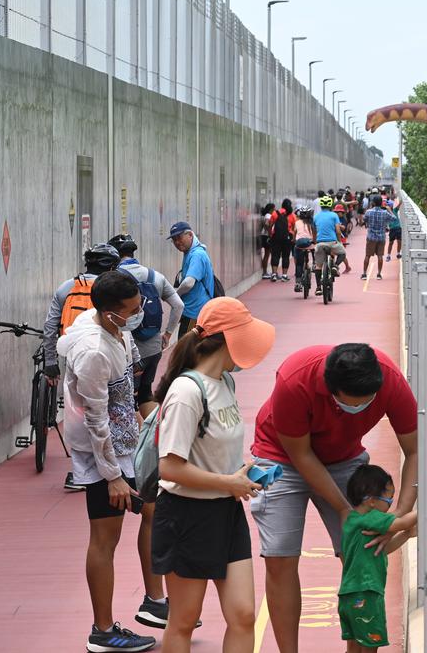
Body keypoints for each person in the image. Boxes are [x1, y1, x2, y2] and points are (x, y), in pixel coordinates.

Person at [249, 344, 418, 653]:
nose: (359, 408)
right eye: (350, 403)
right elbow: (301, 455)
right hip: (282, 457)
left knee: (362, 550)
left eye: (367, 403)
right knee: (280, 558)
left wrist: (396, 517)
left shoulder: (390, 379)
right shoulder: (294, 379)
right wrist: (343, 508)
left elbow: (415, 449)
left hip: (344, 457)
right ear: (330, 390)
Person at [151, 297, 275, 653]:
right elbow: (170, 467)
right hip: (185, 515)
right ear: (228, 338)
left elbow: (216, 453)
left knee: (243, 615)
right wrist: (229, 482)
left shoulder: (226, 384)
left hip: (226, 512)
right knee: (184, 621)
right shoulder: (187, 392)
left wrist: (245, 472)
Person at [58, 271, 159, 652]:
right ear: (110, 312)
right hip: (104, 454)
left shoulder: (115, 330)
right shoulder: (94, 351)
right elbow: (96, 417)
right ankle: (102, 631)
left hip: (123, 445)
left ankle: (155, 600)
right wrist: (112, 476)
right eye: (132, 310)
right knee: (105, 538)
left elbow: (124, 396)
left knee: (151, 511)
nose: (139, 314)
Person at [44, 243, 123, 492]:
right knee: (108, 412)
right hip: (108, 357)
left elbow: (50, 327)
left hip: (74, 358)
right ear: (110, 267)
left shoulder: (66, 288)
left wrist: (50, 364)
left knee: (80, 415)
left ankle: (81, 473)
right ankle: (114, 467)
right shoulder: (112, 290)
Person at [338, 465, 417, 652]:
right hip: (367, 594)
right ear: (372, 501)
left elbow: (380, 549)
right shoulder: (372, 517)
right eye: (388, 498)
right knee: (370, 647)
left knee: (354, 647)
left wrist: (405, 536)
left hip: (347, 596)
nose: (391, 503)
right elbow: (403, 521)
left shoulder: (351, 521)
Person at [108, 233, 185, 418]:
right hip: (154, 347)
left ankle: (136, 443)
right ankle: (154, 435)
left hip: (129, 353)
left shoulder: (114, 278)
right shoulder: (155, 276)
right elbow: (178, 305)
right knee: (145, 393)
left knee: (126, 400)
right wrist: (167, 334)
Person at [169, 222, 216, 338]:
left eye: (179, 238)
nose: (177, 242)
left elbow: (188, 283)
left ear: (190, 235)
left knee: (187, 350)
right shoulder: (190, 252)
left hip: (195, 313)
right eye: (174, 240)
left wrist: (175, 296)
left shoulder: (197, 255)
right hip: (193, 311)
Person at [312, 196, 349, 277]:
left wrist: (315, 242)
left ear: (321, 206)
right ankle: (335, 266)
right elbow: (338, 231)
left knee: (318, 267)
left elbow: (314, 232)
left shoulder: (315, 217)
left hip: (320, 243)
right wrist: (339, 242)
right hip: (332, 242)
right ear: (330, 206)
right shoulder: (334, 215)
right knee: (343, 253)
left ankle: (318, 288)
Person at [360, 196, 392, 281]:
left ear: (373, 203)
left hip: (371, 237)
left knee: (367, 255)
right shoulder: (385, 213)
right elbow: (394, 218)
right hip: (381, 237)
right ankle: (379, 274)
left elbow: (363, 221)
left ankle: (364, 274)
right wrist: (389, 210)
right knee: (380, 256)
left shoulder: (368, 212)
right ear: (381, 203)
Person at [268, 199, 297, 283]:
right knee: (285, 256)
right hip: (287, 238)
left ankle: (274, 274)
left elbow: (269, 224)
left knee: (275, 255)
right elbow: (295, 228)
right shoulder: (292, 215)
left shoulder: (275, 213)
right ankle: (284, 275)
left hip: (276, 237)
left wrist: (270, 234)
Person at [292, 204, 317, 293]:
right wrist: (314, 241)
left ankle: (298, 283)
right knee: (315, 248)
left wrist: (294, 240)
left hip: (299, 244)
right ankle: (314, 262)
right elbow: (314, 233)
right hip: (309, 244)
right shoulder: (312, 222)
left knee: (299, 264)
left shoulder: (297, 222)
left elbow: (294, 234)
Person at [259, 203, 276, 280]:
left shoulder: (266, 215)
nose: (275, 210)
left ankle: (265, 271)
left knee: (267, 255)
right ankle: (264, 272)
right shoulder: (268, 216)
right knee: (267, 255)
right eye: (274, 209)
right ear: (271, 209)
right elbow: (266, 224)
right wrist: (269, 232)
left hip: (264, 236)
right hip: (266, 236)